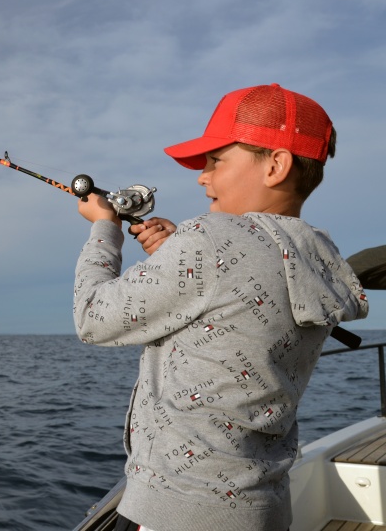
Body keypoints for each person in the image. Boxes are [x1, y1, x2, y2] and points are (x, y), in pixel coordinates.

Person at [73, 83, 369, 531]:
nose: (201, 176)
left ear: (276, 164)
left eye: (216, 161)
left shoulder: (209, 239)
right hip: (263, 507)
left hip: (175, 510)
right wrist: (178, 255)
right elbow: (244, 298)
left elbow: (94, 319)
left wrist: (103, 230)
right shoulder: (316, 253)